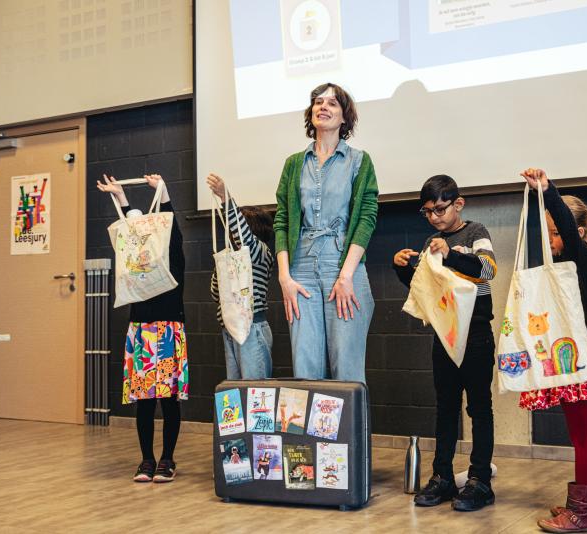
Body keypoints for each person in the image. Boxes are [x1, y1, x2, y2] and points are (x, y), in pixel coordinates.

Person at [393, 175, 497, 512]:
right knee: (446, 408)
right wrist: (404, 269)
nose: (435, 217)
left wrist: (451, 253)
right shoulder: (431, 241)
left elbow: (487, 271)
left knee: (479, 408)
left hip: (476, 332)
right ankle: (443, 477)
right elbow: (424, 289)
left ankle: (480, 480)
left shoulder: (476, 232)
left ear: (458, 204)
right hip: (445, 334)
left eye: (440, 209)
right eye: (428, 212)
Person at [518, 169, 587, 533]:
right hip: (572, 353)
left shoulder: (579, 254)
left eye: (556, 232)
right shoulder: (565, 262)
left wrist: (547, 191)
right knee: (580, 435)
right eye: (550, 232)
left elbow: (567, 233)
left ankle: (582, 513)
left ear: (578, 233)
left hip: (579, 355)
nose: (552, 239)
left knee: (582, 436)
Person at [273, 82, 378, 382]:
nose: (324, 107)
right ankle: (312, 433)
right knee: (306, 370)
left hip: (343, 266)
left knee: (347, 370)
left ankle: (352, 431)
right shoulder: (294, 164)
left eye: (332, 103)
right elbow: (282, 220)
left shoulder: (359, 160)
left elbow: (366, 218)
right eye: (318, 102)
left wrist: (346, 277)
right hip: (300, 269)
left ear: (345, 116)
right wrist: (284, 277)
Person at [96, 173, 187, 483]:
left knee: (168, 399)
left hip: (168, 328)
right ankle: (147, 459)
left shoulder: (171, 256)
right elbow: (131, 233)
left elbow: (170, 227)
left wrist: (163, 191)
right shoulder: (135, 260)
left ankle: (167, 459)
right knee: (145, 401)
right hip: (141, 330)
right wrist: (121, 198)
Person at [206, 173, 274, 379]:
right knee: (235, 395)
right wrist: (223, 269)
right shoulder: (236, 259)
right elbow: (216, 294)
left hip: (252, 328)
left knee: (254, 393)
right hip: (231, 329)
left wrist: (226, 200)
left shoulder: (260, 252)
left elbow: (244, 237)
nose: (232, 233)